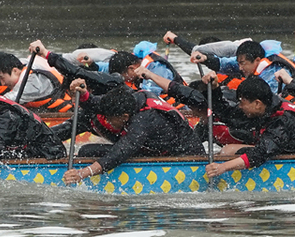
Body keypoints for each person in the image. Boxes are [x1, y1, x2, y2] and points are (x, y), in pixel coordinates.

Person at [58, 81, 204, 184]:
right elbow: (100, 103)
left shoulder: (144, 120)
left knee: (96, 152)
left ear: (125, 117)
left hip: (185, 157)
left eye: (110, 119)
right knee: (86, 150)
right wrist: (84, 95)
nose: (107, 123)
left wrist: (83, 174)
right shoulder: (130, 99)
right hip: (154, 148)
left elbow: (120, 152)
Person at [206, 76, 295, 177]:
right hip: (274, 149)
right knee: (227, 150)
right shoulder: (261, 108)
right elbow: (226, 114)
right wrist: (214, 89)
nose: (239, 106)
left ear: (257, 103)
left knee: (228, 151)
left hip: (288, 161)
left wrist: (223, 167)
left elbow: (261, 153)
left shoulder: (282, 119)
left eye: (242, 102)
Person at [191, 39, 295, 93]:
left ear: (257, 60)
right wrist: (205, 59)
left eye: (242, 63)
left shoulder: (271, 75)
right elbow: (224, 64)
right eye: (239, 63)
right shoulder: (249, 63)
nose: (239, 68)